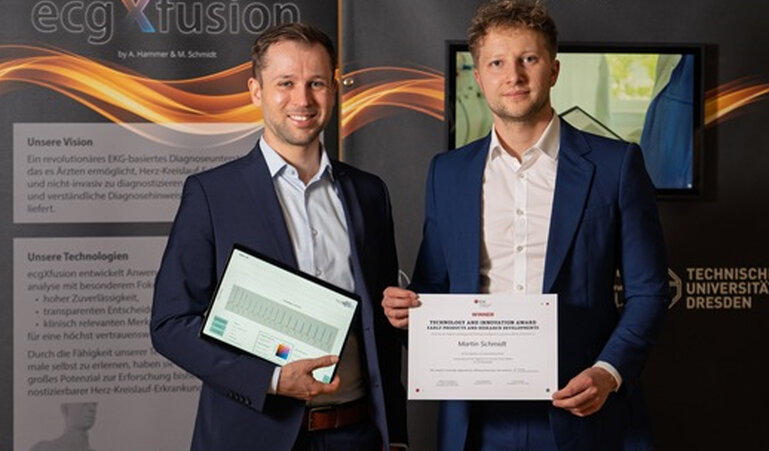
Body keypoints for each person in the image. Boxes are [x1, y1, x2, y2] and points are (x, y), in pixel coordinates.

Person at [381, 1, 669, 450]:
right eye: (496, 63)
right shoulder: (448, 173)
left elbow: (649, 292)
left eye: (528, 59)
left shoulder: (616, 166)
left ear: (553, 70)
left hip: (579, 411)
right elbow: (432, 286)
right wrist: (407, 313)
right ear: (479, 78)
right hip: (474, 421)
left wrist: (608, 372)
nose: (512, 76)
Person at [151, 22, 407, 451]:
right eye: (285, 83)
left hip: (356, 435)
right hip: (253, 435)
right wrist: (270, 378)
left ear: (334, 90)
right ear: (256, 91)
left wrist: (395, 436)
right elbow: (170, 324)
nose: (302, 100)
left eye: (316, 83)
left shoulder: (369, 193)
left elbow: (382, 323)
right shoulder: (213, 194)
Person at [30, 402, 98, 451]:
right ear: (65, 408)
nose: (92, 408)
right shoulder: (44, 449)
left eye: (94, 404)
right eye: (84, 403)